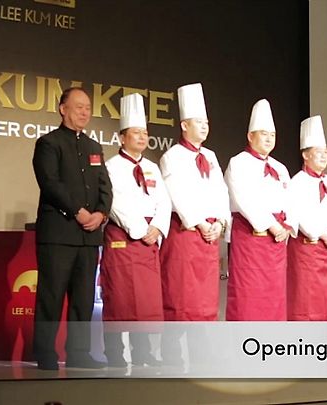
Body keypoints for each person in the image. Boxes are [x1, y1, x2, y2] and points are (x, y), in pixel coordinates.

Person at [32, 87, 112, 370]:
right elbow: (50, 183)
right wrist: (78, 212)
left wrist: (101, 213)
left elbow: (105, 186)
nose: (84, 112)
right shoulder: (49, 143)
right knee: (51, 296)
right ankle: (45, 353)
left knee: (83, 299)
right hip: (59, 233)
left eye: (88, 108)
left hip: (89, 236)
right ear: (63, 109)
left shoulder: (93, 147)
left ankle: (79, 352)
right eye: (78, 107)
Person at [100, 93, 171, 367]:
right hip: (124, 237)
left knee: (146, 300)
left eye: (145, 133)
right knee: (119, 298)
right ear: (122, 138)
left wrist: (158, 227)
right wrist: (141, 229)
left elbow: (164, 201)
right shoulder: (111, 167)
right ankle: (115, 353)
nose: (142, 137)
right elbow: (115, 202)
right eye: (136, 132)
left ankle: (142, 352)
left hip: (149, 240)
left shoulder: (152, 167)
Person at [159, 83, 229, 321]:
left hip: (209, 237)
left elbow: (221, 190)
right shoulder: (172, 156)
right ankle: (174, 344)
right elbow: (177, 193)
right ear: (184, 125)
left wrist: (220, 223)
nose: (204, 126)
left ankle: (202, 342)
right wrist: (200, 223)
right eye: (199, 122)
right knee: (181, 297)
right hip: (186, 234)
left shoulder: (210, 156)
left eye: (206, 122)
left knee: (206, 300)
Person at [224, 99, 295, 320]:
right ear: (250, 136)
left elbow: (291, 201)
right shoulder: (238, 162)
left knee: (274, 297)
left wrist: (288, 225)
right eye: (264, 134)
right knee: (248, 295)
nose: (268, 139)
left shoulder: (280, 168)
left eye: (272, 135)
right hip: (250, 239)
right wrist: (272, 225)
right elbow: (244, 200)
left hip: (277, 243)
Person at [287, 115, 327, 321]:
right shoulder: (297, 182)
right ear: (306, 155)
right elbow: (298, 215)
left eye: (326, 153)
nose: (324, 157)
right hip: (308, 250)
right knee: (306, 302)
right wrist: (323, 235)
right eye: (319, 152)